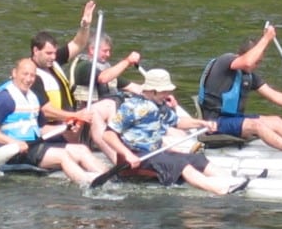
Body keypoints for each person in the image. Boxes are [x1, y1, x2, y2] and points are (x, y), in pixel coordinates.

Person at [103, 69, 250, 195]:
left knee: (197, 159)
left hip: (156, 151)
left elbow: (177, 122)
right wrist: (127, 154)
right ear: (153, 91)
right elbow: (108, 134)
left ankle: (232, 181)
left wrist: (201, 123)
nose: (168, 94)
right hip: (137, 155)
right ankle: (220, 189)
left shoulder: (160, 105)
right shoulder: (131, 107)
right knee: (179, 163)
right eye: (164, 91)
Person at [197, 23, 282, 159]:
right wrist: (267, 38)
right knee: (257, 125)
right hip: (214, 123)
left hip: (232, 120)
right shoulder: (225, 62)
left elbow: (274, 95)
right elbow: (248, 62)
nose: (257, 65)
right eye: (257, 61)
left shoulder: (248, 75)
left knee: (276, 121)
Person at [0, 58, 108, 185]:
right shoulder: (4, 99)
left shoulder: (33, 97)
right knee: (62, 156)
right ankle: (87, 183)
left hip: (34, 146)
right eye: (25, 74)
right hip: (14, 152)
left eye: (32, 75)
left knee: (81, 149)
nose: (29, 79)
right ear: (14, 73)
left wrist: (66, 127)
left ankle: (108, 177)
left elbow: (41, 128)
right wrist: (14, 142)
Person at [68, 32, 143, 162]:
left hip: (112, 116)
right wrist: (127, 61)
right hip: (85, 121)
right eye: (105, 51)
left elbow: (133, 87)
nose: (108, 55)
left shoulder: (106, 68)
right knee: (108, 104)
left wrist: (157, 92)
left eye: (109, 51)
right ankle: (118, 157)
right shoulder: (84, 67)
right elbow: (103, 78)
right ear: (92, 50)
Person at [29, 0, 96, 138]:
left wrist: (85, 26)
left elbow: (78, 43)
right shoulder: (31, 75)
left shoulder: (54, 60)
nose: (53, 57)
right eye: (48, 53)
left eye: (54, 53)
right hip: (50, 128)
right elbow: (46, 110)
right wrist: (75, 115)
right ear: (36, 50)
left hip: (69, 121)